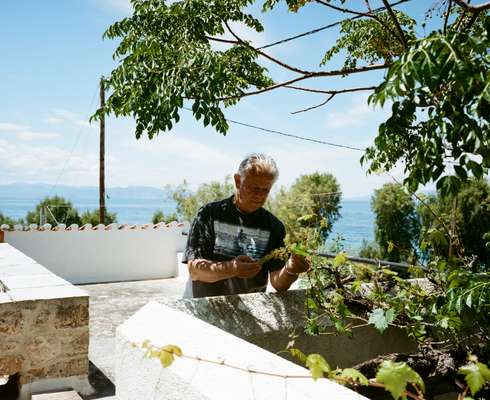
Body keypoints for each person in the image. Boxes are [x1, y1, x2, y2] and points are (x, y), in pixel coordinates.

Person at [182, 153, 309, 298]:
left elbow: (278, 283)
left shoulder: (274, 226)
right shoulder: (209, 215)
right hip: (205, 307)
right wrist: (232, 268)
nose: (259, 195)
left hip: (251, 310)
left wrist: (292, 269)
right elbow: (195, 270)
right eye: (254, 188)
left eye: (265, 190)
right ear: (237, 181)